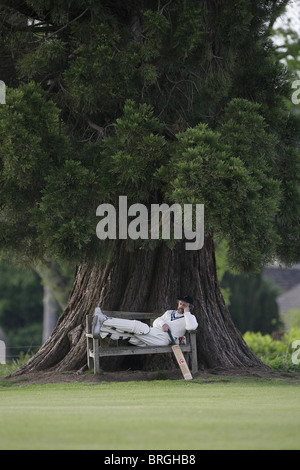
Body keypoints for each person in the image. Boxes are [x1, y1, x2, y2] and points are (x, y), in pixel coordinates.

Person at [92, 295, 198, 347]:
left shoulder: (190, 318)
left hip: (165, 339)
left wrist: (187, 313)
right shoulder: (170, 313)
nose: (181, 306)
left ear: (189, 307)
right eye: (181, 303)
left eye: (185, 305)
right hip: (153, 333)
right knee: (131, 335)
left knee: (138, 326)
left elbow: (191, 327)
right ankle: (101, 328)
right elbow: (156, 321)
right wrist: (163, 324)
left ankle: (104, 320)